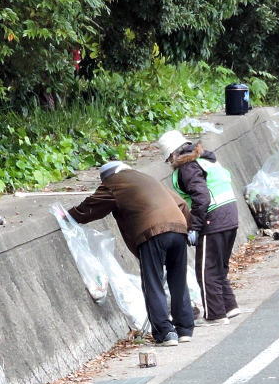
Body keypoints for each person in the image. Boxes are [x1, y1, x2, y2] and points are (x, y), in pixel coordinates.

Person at [65, 161, 194, 346]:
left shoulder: (114, 183)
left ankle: (165, 333)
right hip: (179, 228)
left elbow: (91, 207)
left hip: (152, 233)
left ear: (107, 177)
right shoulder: (146, 178)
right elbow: (181, 204)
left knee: (153, 283)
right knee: (178, 280)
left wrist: (70, 216)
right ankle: (185, 329)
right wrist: (188, 228)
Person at [157, 130, 241, 325]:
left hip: (213, 218)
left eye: (169, 158)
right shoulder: (206, 159)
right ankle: (229, 306)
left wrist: (194, 226)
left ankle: (215, 314)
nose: (169, 163)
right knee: (219, 267)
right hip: (230, 214)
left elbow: (201, 197)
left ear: (173, 154)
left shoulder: (187, 167)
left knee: (206, 270)